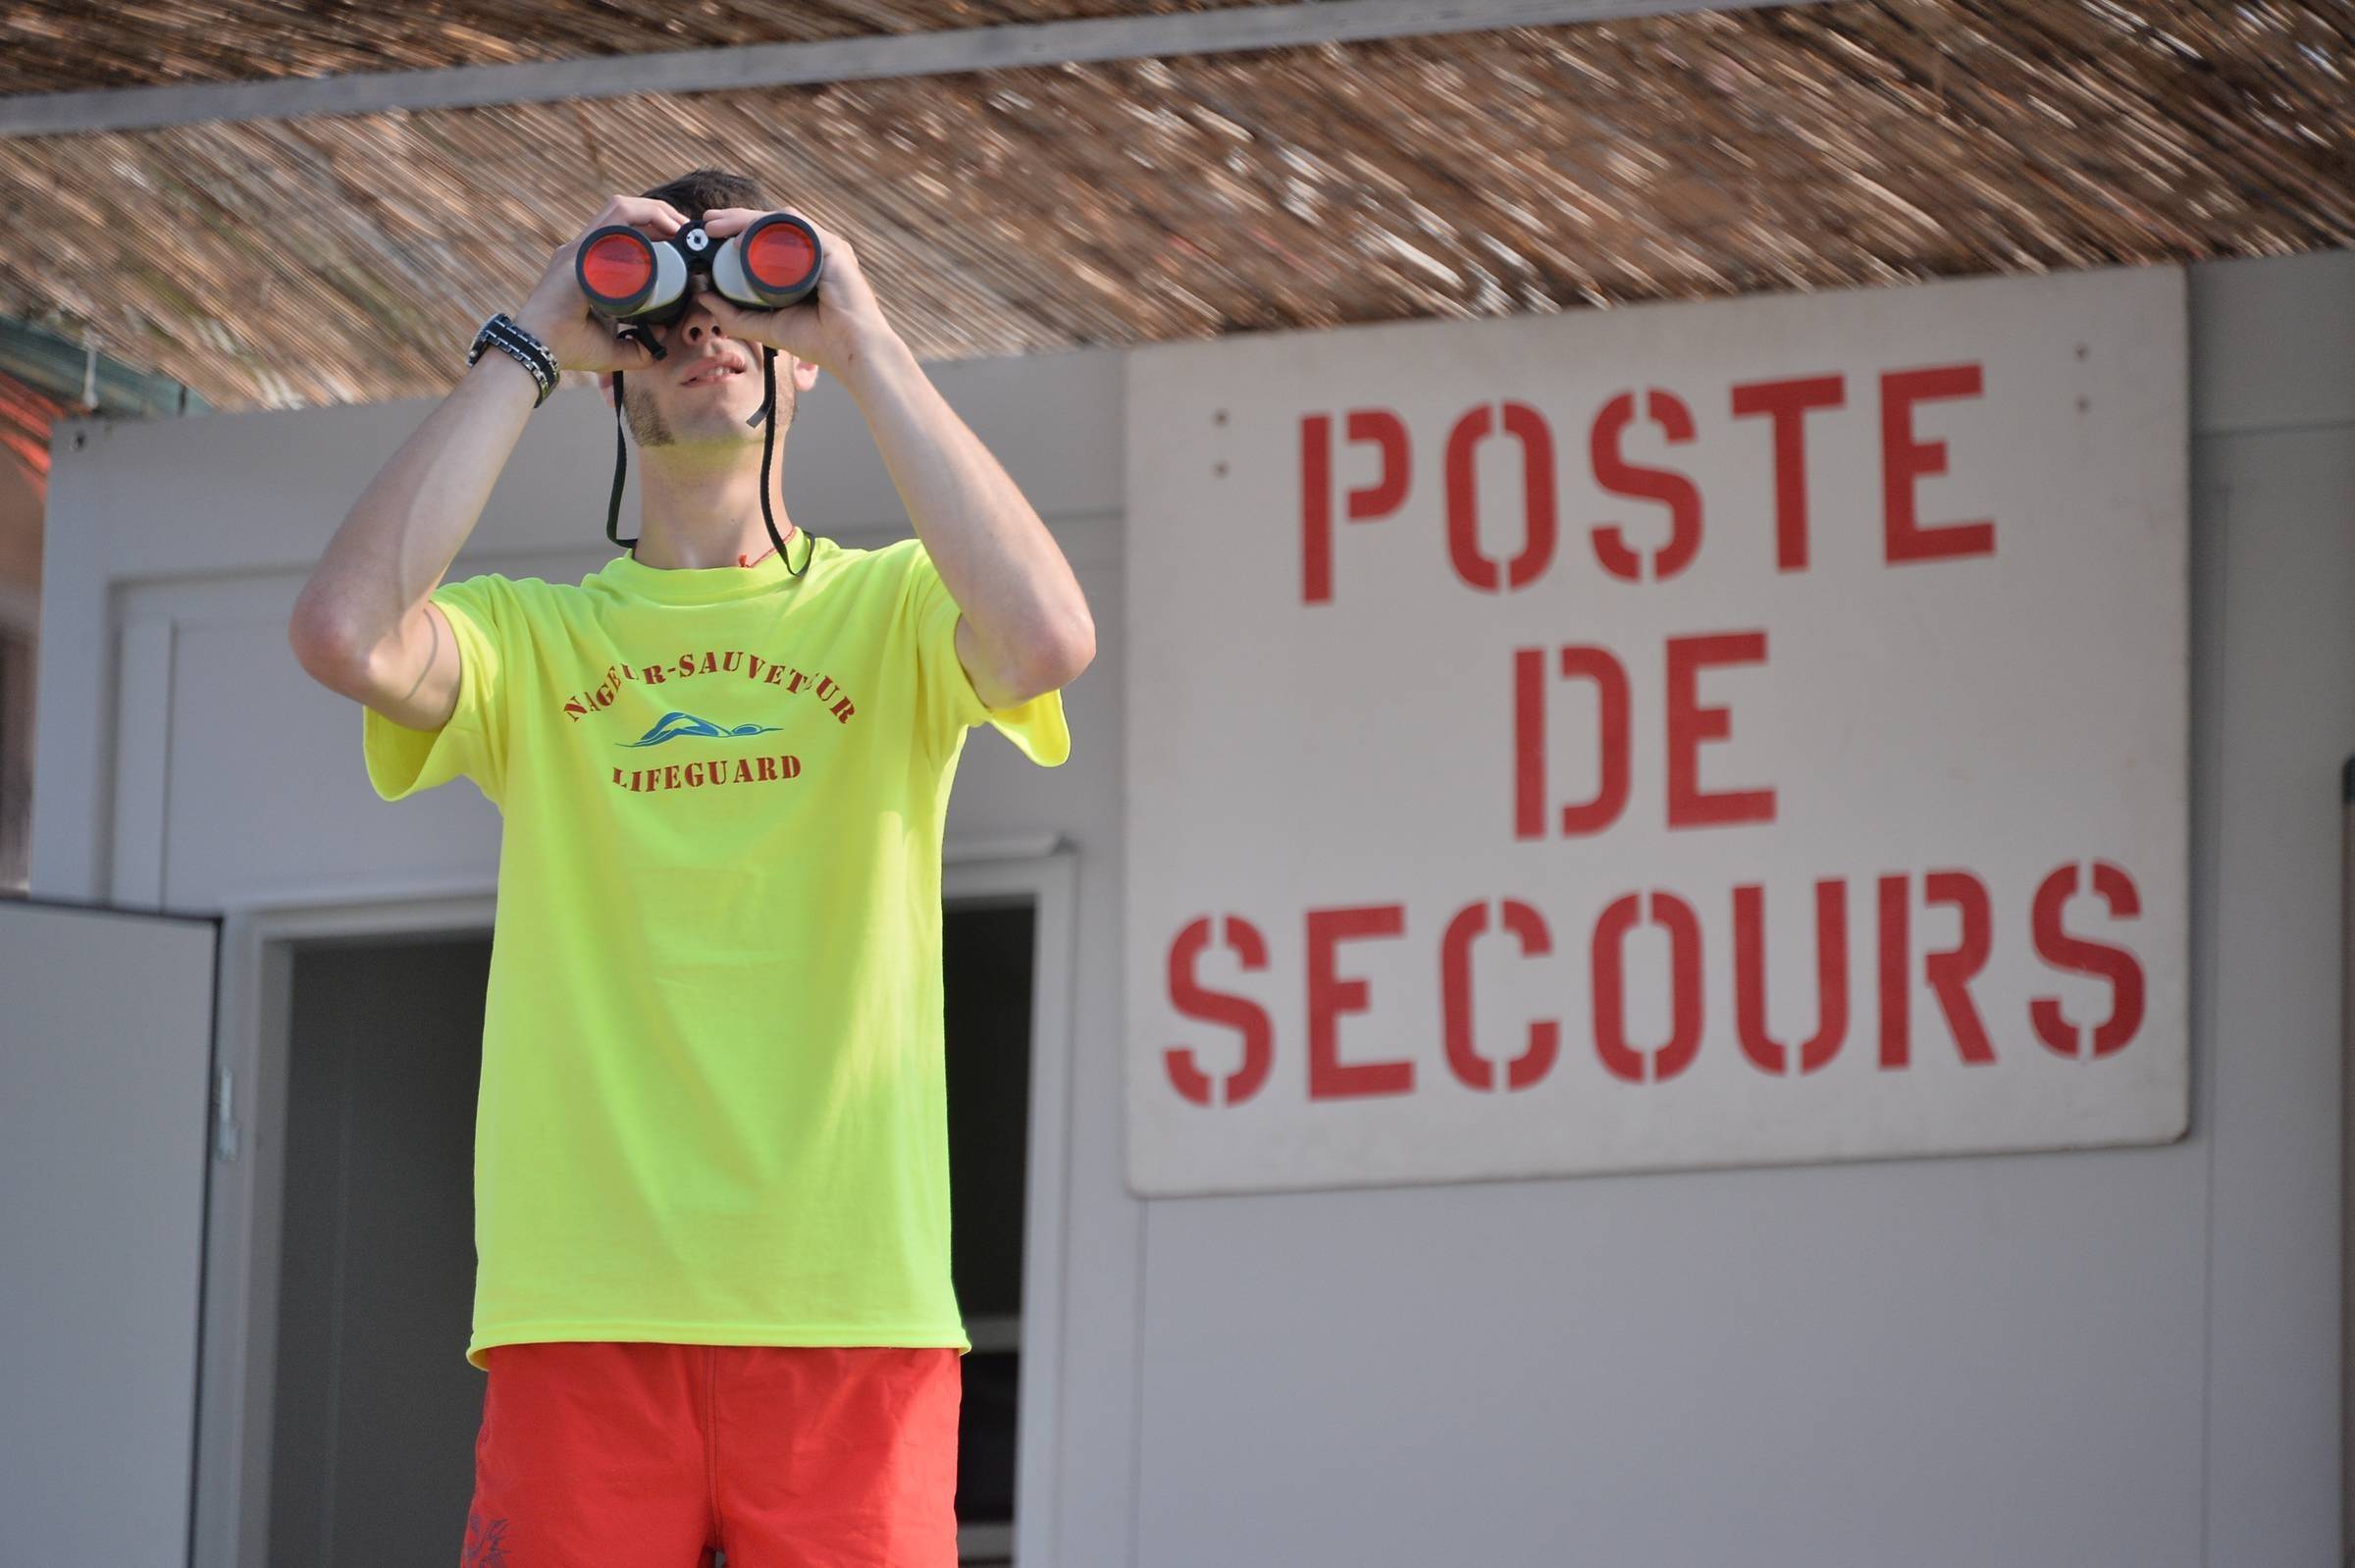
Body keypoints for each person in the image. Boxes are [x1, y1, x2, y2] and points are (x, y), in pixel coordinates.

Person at [287, 168, 1092, 1568]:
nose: (704, 338)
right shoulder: (533, 646)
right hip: (584, 1307)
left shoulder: (892, 608)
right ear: (613, 378)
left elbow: (1044, 639)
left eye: (747, 318)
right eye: (664, 322)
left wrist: (862, 333)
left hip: (849, 1306)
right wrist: (534, 330)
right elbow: (345, 631)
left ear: (798, 359)